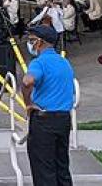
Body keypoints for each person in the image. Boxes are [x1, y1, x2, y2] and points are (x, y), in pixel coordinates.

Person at [22, 24, 75, 185]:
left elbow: (27, 81)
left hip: (44, 119)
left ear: (40, 42)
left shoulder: (39, 63)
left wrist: (28, 103)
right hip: (63, 119)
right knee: (61, 167)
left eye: (31, 40)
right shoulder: (64, 63)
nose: (30, 44)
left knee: (44, 170)